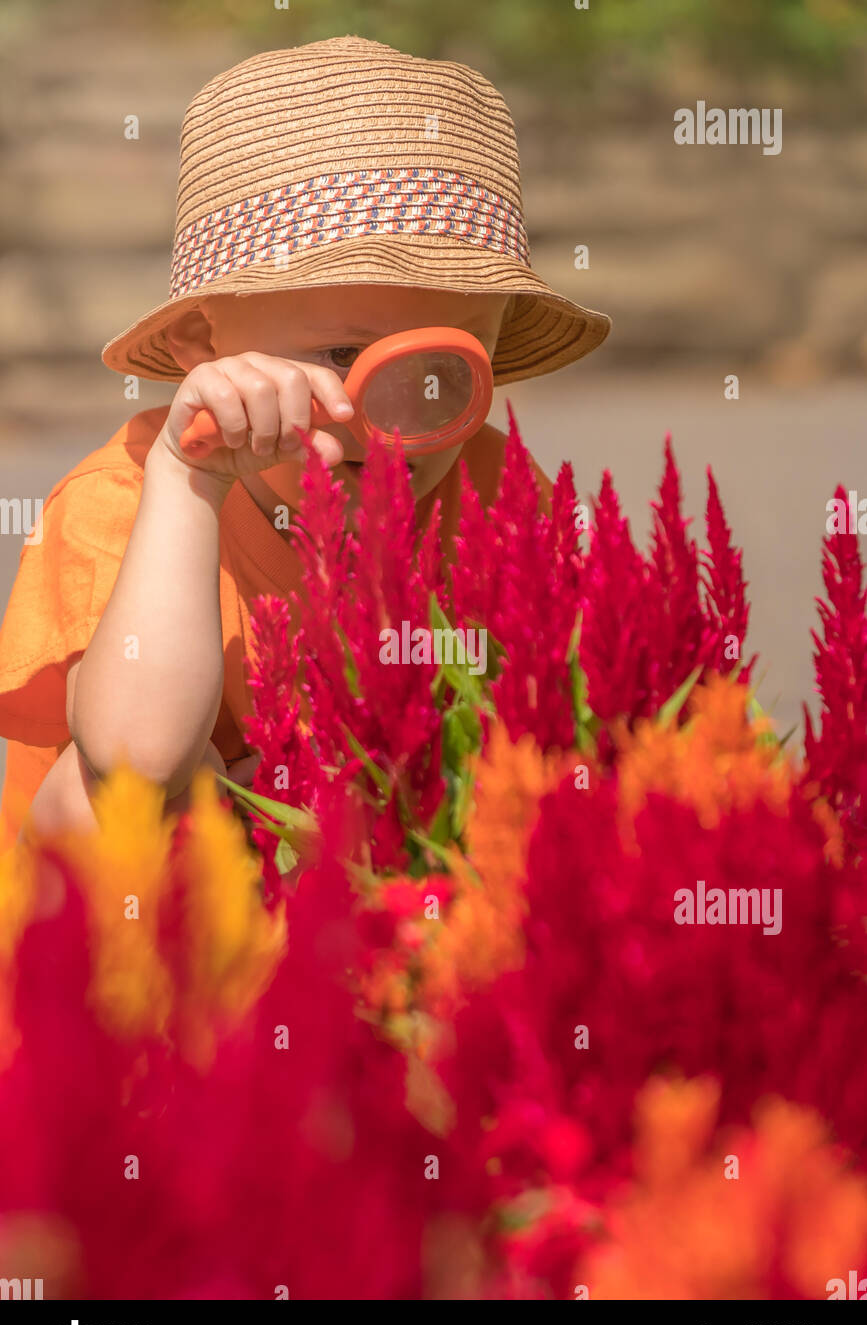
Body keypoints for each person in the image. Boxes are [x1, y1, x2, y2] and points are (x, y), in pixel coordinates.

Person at [0, 36, 610, 841]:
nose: (401, 419)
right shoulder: (124, 496)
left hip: (393, 887)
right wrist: (189, 481)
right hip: (164, 926)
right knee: (96, 806)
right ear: (198, 345)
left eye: (445, 369)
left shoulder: (498, 485)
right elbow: (134, 762)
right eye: (347, 359)